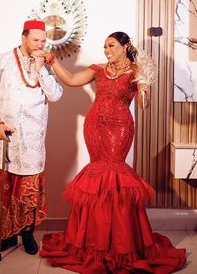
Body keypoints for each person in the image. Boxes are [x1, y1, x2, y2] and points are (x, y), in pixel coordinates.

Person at [38, 32, 186, 273]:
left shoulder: (137, 70)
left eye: (111, 45)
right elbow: (72, 80)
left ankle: (120, 243)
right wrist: (53, 62)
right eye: (104, 46)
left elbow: (143, 105)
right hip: (95, 127)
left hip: (120, 129)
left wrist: (144, 89)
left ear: (125, 46)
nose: (106, 50)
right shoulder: (98, 69)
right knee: (97, 178)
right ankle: (93, 241)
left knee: (115, 175)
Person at [0, 20, 63, 255]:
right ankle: (7, 237)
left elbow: (56, 95)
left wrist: (40, 70)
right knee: (4, 191)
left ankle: (27, 234)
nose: (40, 45)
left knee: (29, 191)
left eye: (43, 41)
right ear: (23, 38)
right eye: (35, 40)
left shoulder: (43, 65)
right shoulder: (3, 60)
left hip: (33, 144)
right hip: (4, 138)